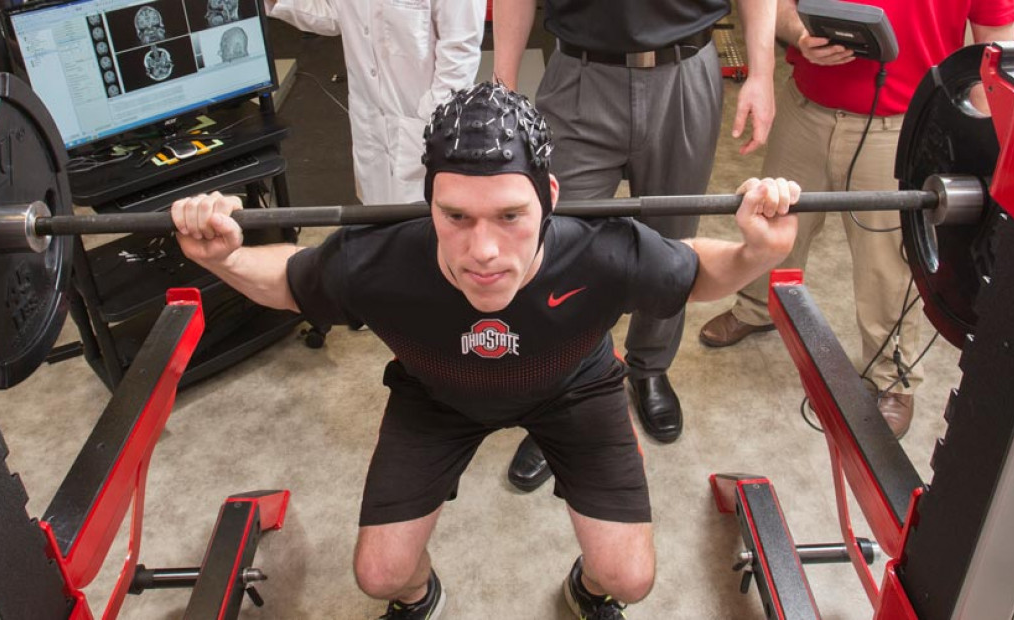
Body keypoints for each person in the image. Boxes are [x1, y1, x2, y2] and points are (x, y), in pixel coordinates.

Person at [171, 83, 800, 619]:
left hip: (575, 391)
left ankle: (586, 590)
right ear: (430, 206)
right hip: (436, 396)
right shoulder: (381, 259)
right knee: (380, 575)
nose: (484, 250)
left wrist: (756, 253)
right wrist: (226, 258)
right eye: (456, 217)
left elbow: (695, 271)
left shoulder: (604, 251)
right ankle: (418, 598)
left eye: (509, 215)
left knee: (629, 578)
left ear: (549, 196)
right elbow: (290, 279)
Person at [697, 0, 1014, 438]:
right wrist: (799, 35)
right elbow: (778, 6)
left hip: (900, 126)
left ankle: (892, 376)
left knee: (889, 262)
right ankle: (756, 308)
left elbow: (995, 56)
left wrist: (986, 148)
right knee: (773, 222)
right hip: (804, 108)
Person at [490, 0, 777, 491]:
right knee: (556, 248)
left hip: (684, 72)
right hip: (579, 74)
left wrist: (762, 72)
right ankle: (563, 396)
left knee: (673, 240)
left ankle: (649, 368)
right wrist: (502, 86)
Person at [263, 0, 485, 204]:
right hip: (370, 130)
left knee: (426, 230)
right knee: (377, 229)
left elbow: (459, 55)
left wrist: (428, 123)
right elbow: (336, 12)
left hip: (423, 131)